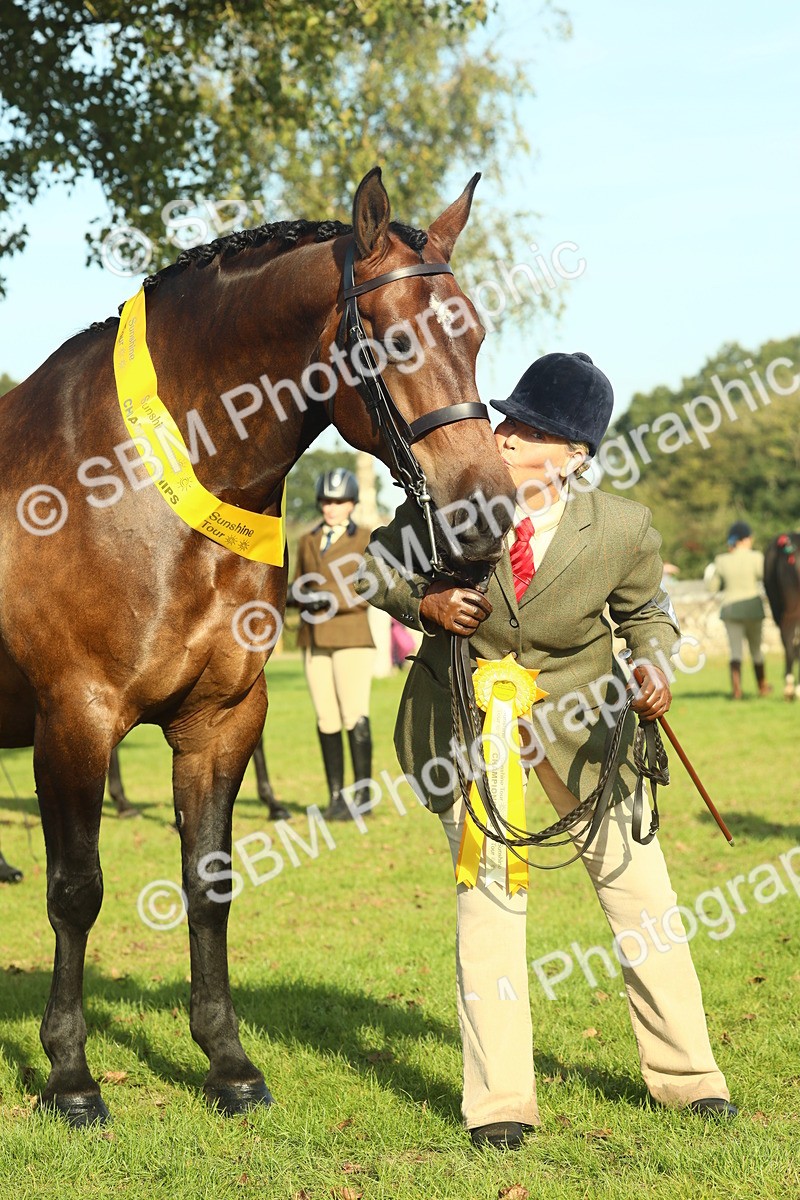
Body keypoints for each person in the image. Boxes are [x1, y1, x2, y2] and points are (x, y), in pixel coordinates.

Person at [355, 351, 735, 1149]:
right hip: (467, 724)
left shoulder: (622, 527)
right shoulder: (448, 501)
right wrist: (422, 600)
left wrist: (655, 669)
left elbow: (649, 615)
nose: (503, 434)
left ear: (573, 457)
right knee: (488, 907)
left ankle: (690, 1077)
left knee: (645, 902)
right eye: (508, 420)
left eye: (526, 429)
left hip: (589, 732)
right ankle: (500, 1102)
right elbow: (374, 564)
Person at [291, 468, 375, 821]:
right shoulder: (308, 540)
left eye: (338, 501)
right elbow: (297, 583)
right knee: (326, 717)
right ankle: (336, 797)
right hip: (314, 637)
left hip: (351, 635)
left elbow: (371, 586)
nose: (331, 508)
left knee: (353, 713)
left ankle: (363, 795)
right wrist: (300, 596)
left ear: (352, 504)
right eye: (326, 501)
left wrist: (329, 598)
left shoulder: (367, 538)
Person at [704, 522, 770, 700]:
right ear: (746, 539)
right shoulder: (756, 557)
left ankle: (737, 691)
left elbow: (712, 587)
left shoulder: (721, 560)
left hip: (730, 610)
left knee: (735, 652)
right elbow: (766, 579)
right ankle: (762, 687)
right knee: (756, 650)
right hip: (753, 610)